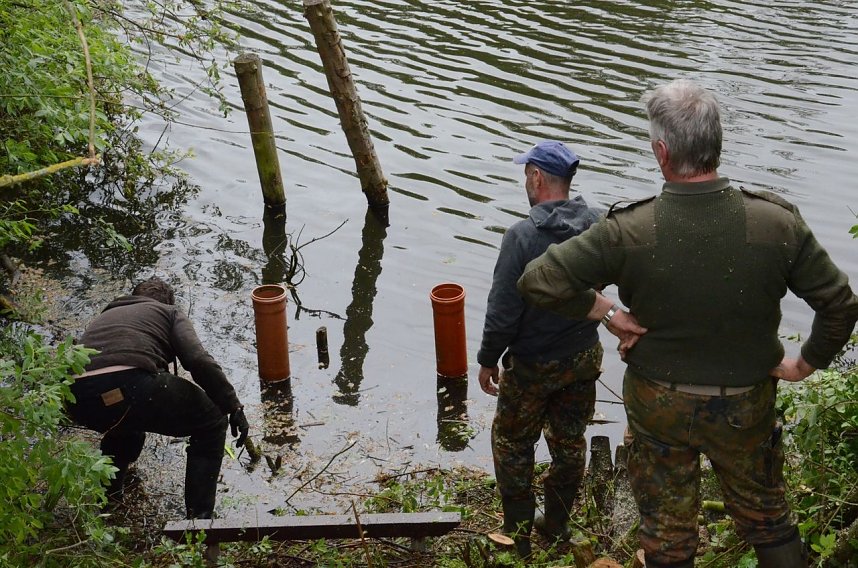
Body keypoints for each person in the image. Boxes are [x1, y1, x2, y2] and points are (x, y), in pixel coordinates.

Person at [516, 79, 858, 568]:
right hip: (744, 407)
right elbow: (840, 304)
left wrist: (608, 313)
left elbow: (538, 280)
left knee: (667, 539)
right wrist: (806, 362)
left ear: (661, 152)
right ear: (716, 142)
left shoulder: (628, 231)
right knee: (768, 521)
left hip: (659, 408)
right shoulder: (775, 224)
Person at [477, 140, 605, 558]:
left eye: (525, 173)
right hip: (583, 356)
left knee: (513, 443)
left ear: (536, 177)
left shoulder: (522, 236)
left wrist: (487, 359)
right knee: (570, 442)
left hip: (531, 364)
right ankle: (557, 524)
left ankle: (517, 533)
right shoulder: (598, 226)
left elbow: (503, 307)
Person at [67, 276, 249, 519]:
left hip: (79, 397)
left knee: (123, 423)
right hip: (131, 384)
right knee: (212, 422)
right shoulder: (169, 312)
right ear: (167, 301)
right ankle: (200, 521)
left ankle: (108, 504)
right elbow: (198, 360)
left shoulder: (105, 317)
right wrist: (232, 405)